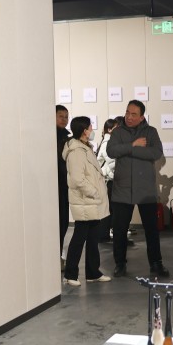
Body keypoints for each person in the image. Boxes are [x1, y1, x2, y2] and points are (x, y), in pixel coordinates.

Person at [107, 100, 170, 277]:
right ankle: (120, 263)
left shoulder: (151, 132)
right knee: (119, 230)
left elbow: (155, 153)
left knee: (151, 230)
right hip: (122, 189)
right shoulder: (118, 132)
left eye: (134, 114)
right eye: (127, 112)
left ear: (142, 117)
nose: (129, 117)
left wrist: (126, 150)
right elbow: (111, 151)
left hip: (145, 190)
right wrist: (133, 145)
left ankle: (156, 263)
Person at [61, 116, 112, 286]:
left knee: (92, 239)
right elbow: (77, 179)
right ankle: (70, 275)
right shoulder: (76, 151)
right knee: (79, 238)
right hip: (85, 201)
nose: (92, 130)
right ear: (84, 130)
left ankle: (93, 272)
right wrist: (94, 192)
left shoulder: (84, 148)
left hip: (91, 202)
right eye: (90, 127)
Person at [96, 118, 118, 242]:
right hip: (108, 180)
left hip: (110, 179)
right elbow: (112, 162)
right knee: (108, 209)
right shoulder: (107, 143)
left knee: (110, 209)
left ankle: (105, 234)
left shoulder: (110, 142)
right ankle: (103, 235)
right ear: (109, 129)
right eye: (116, 128)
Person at [56, 105, 70, 265]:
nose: (64, 119)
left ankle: (58, 255)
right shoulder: (48, 137)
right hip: (53, 186)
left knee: (64, 222)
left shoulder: (66, 138)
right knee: (57, 223)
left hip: (64, 186)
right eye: (60, 116)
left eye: (66, 116)